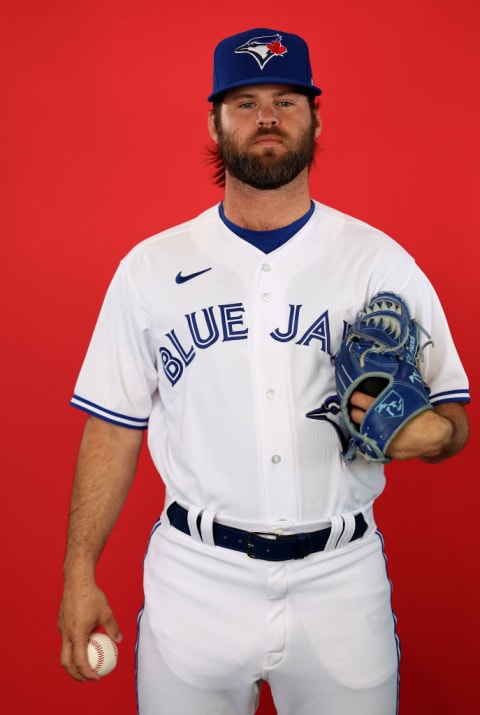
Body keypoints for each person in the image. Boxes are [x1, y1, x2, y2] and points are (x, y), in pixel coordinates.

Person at [58, 28, 470, 715]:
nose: (267, 117)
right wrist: (78, 568)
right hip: (196, 580)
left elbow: (453, 418)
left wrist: (427, 434)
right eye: (245, 102)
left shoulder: (379, 262)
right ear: (215, 123)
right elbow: (114, 427)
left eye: (285, 99)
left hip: (340, 581)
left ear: (315, 117)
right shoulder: (151, 268)